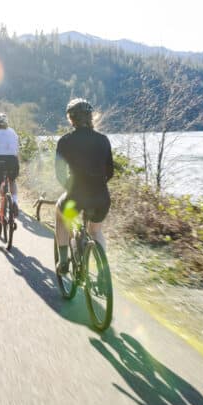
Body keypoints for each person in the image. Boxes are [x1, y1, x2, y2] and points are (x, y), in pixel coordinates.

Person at [54, 98, 113, 274]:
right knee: (95, 231)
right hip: (101, 197)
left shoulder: (65, 141)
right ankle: (103, 273)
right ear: (90, 117)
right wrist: (97, 184)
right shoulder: (103, 140)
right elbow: (109, 171)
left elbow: (60, 174)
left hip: (76, 198)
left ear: (71, 119)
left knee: (61, 214)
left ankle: (63, 263)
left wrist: (70, 188)